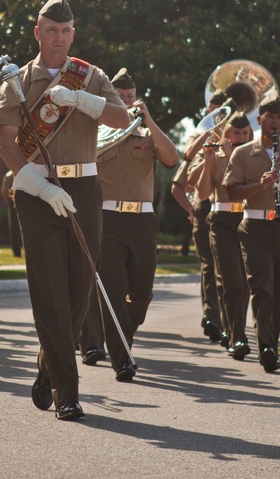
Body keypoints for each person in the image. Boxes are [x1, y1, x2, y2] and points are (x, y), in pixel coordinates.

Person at [0, 0, 130, 421]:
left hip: (84, 188)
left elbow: (122, 118)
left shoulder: (90, 75)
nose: (59, 38)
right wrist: (39, 186)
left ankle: (48, 367)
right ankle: (69, 393)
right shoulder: (16, 81)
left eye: (66, 31)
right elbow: (5, 142)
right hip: (36, 191)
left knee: (80, 291)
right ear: (37, 32)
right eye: (51, 30)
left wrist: (80, 99)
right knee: (50, 292)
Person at [78, 68, 178, 381]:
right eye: (118, 97)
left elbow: (172, 159)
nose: (125, 101)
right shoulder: (93, 132)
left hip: (142, 219)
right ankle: (123, 358)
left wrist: (148, 120)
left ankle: (119, 336)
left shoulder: (148, 136)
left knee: (142, 292)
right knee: (114, 288)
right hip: (106, 218)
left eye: (129, 97)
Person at [223, 97, 280, 372]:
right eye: (270, 116)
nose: (275, 122)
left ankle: (271, 344)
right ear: (260, 119)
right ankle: (266, 346)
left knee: (279, 288)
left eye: (279, 117)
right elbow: (231, 192)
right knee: (262, 286)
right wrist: (260, 184)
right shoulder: (242, 154)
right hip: (254, 226)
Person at [191, 113, 253, 359]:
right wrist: (208, 160)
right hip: (221, 222)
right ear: (226, 135)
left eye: (245, 133)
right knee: (231, 280)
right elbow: (204, 192)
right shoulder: (215, 157)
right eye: (236, 133)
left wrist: (232, 156)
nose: (241, 137)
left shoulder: (253, 157)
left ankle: (234, 331)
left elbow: (249, 185)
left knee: (245, 284)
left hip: (247, 220)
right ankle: (237, 336)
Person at [172, 91, 228, 344]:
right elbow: (179, 183)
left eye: (223, 113)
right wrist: (191, 212)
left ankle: (227, 318)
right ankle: (212, 316)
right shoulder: (198, 136)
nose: (218, 117)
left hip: (229, 207)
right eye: (214, 112)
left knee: (227, 268)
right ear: (208, 112)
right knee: (209, 265)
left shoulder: (236, 136)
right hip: (204, 205)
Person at [0, 169, 23, 257]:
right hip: (14, 201)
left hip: (15, 201)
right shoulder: (10, 175)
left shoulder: (9, 175)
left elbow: (4, 191)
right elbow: (5, 192)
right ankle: (17, 252)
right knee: (14, 227)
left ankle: (17, 252)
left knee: (14, 227)